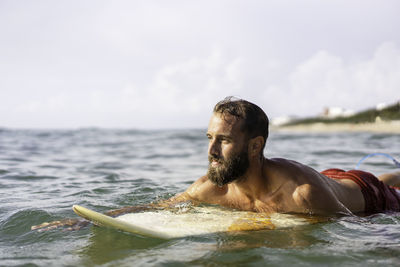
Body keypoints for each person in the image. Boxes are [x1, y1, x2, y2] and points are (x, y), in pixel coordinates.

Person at [32, 97, 400, 231]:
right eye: (209, 138)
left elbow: (358, 227)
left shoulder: (302, 195)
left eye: (223, 140)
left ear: (255, 146)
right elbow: (158, 207)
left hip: (365, 194)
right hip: (332, 179)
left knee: (388, 185)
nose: (211, 151)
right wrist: (83, 222)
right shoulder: (211, 188)